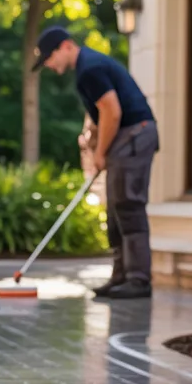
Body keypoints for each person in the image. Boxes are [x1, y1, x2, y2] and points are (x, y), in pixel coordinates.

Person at [33, 26, 159, 299]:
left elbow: (112, 112)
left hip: (135, 135)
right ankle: (121, 276)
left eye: (49, 58)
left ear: (65, 46)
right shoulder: (87, 67)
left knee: (128, 206)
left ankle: (138, 280)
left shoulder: (90, 69)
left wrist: (100, 153)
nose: (49, 65)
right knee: (115, 209)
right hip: (125, 138)